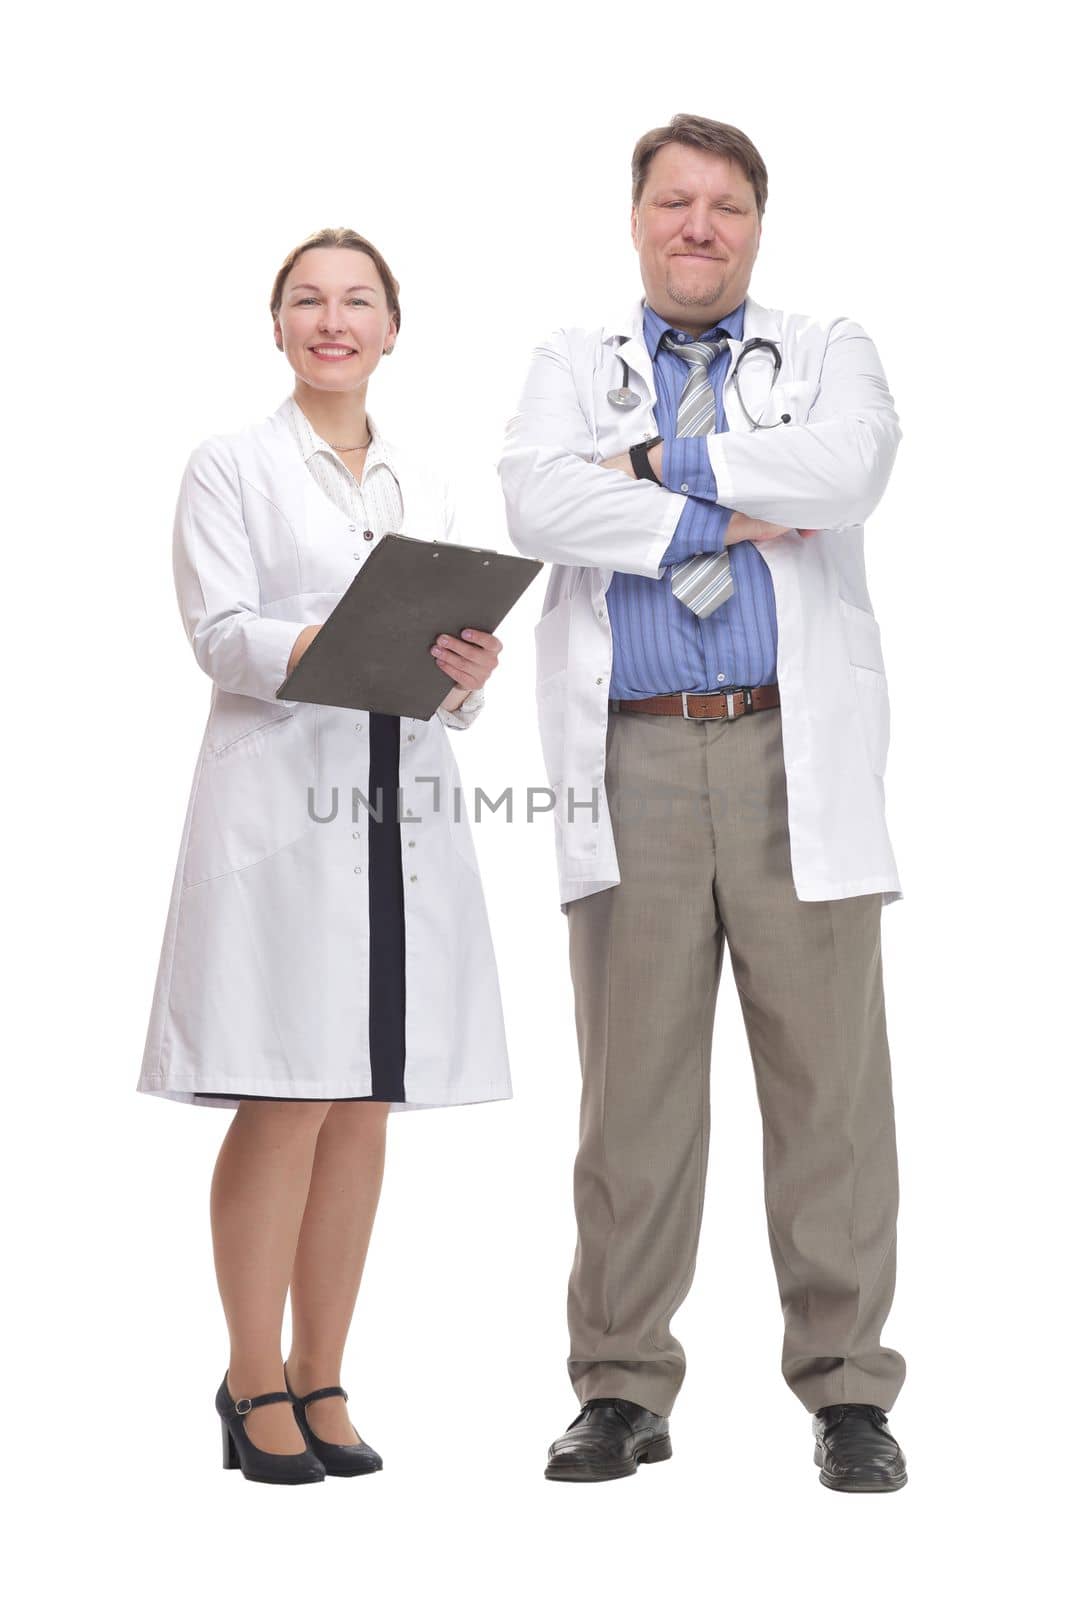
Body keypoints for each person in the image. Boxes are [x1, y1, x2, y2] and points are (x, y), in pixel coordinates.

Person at [499, 115, 908, 1492]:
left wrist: (646, 472)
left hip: (790, 750)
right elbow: (534, 503)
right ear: (633, 220)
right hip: (634, 758)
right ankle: (619, 1388)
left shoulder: (826, 346)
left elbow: (846, 470)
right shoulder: (571, 365)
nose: (697, 227)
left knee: (828, 1092)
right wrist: (728, 503)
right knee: (632, 1095)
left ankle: (846, 1391)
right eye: (672, 202)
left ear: (753, 226)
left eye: (723, 206)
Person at [138, 227, 510, 1485]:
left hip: (397, 810)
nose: (332, 319)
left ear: (393, 329)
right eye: (308, 300)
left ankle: (323, 1371)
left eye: (358, 301)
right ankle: (250, 1378)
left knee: (360, 1098)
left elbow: (446, 688)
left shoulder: (423, 480)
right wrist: (340, 638)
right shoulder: (229, 465)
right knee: (285, 1086)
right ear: (279, 325)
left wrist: (462, 674)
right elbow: (222, 635)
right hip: (278, 815)